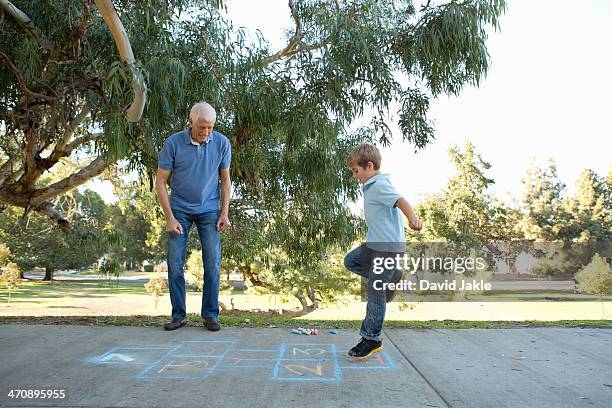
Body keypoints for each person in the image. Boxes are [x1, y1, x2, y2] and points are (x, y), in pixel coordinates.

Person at [155, 102, 232, 332]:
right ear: (191, 123)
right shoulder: (173, 143)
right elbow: (160, 182)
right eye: (201, 127)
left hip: (209, 209)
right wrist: (169, 217)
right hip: (179, 208)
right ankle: (178, 315)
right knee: (176, 263)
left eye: (210, 127)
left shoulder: (222, 143)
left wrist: (224, 212)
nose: (206, 132)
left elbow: (225, 180)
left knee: (213, 262)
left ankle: (210, 315)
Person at [344, 143, 422, 359]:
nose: (355, 176)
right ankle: (392, 276)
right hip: (374, 246)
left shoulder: (379, 185)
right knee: (351, 261)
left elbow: (401, 201)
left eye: (356, 171)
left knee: (375, 291)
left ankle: (372, 338)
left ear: (369, 166)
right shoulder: (372, 187)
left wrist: (413, 218)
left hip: (387, 249)